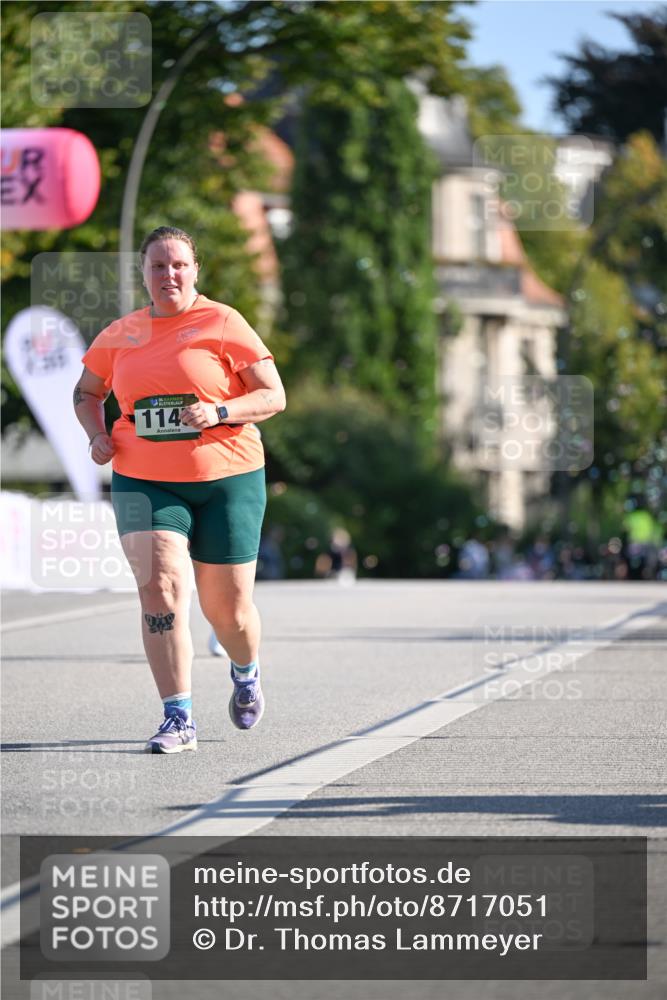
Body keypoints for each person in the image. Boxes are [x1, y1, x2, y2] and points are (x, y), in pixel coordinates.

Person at [73, 226, 286, 753]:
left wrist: (219, 411)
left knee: (229, 611)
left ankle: (245, 669)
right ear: (143, 274)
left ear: (195, 270)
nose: (168, 275)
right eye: (157, 267)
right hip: (144, 478)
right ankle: (177, 718)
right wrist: (97, 434)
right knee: (162, 589)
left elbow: (273, 396)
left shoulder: (223, 321)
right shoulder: (120, 333)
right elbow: (86, 392)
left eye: (178, 265)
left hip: (227, 478)